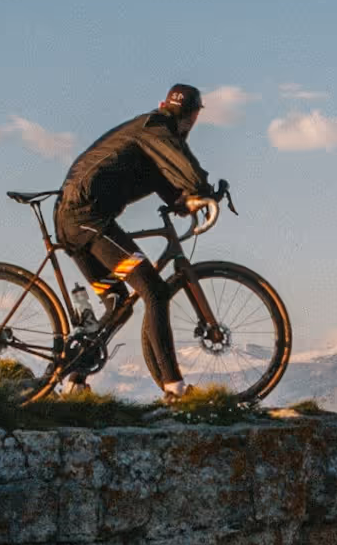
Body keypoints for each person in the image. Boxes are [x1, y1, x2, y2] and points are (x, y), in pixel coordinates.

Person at [54, 84, 218, 397]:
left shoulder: (148, 133)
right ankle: (175, 387)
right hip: (87, 220)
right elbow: (183, 165)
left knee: (117, 303)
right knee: (154, 290)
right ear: (194, 116)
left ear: (164, 103)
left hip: (73, 219)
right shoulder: (157, 127)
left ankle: (75, 379)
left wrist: (183, 201)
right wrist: (203, 191)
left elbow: (162, 177)